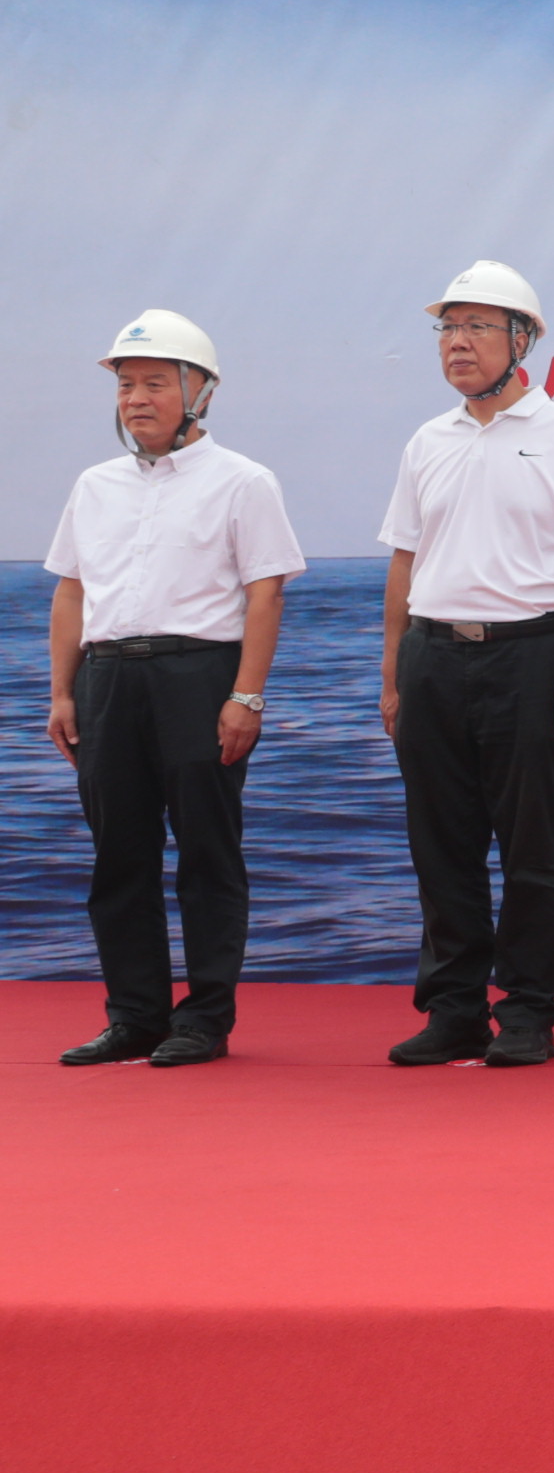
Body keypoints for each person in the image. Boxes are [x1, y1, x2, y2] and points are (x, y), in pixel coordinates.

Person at [377, 260, 554, 1068]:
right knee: (440, 844)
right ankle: (453, 1008)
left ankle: (528, 1010)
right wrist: (392, 676)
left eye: (477, 328)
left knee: (530, 847)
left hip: (529, 655)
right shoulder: (428, 441)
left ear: (522, 341)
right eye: (448, 328)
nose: (457, 343)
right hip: (432, 656)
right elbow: (404, 560)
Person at [42, 310, 301, 1067]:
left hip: (199, 675)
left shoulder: (243, 481)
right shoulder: (95, 486)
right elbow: (71, 592)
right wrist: (62, 694)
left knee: (207, 854)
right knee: (117, 855)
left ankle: (205, 1018)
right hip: (107, 678)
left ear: (201, 392)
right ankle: (135, 1016)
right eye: (126, 385)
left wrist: (246, 696)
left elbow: (265, 594)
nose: (136, 399)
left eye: (155, 383)